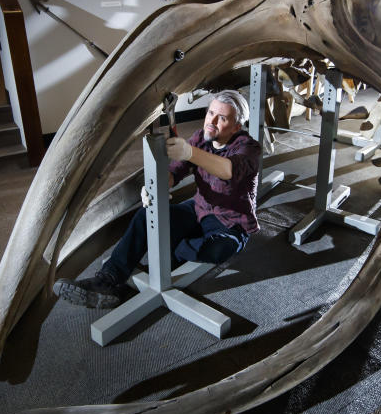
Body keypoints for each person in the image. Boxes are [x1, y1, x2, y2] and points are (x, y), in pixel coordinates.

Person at [53, 90, 261, 308]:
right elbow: (175, 171)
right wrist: (155, 185)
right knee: (146, 216)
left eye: (223, 118)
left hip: (231, 224)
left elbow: (228, 170)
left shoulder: (248, 148)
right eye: (210, 113)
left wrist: (189, 152)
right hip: (199, 209)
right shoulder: (200, 138)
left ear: (237, 127)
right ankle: (107, 280)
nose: (212, 122)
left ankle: (166, 257)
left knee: (211, 250)